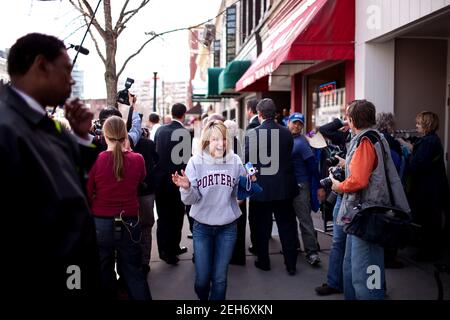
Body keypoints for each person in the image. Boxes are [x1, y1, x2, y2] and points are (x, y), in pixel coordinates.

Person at [0, 33, 101, 298]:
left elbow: (68, 180)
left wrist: (81, 135)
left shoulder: (39, 121)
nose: (71, 79)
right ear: (41, 65)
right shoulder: (7, 127)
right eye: (66, 69)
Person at [330, 100, 409, 300]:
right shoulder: (377, 137)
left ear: (353, 119)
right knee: (355, 265)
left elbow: (358, 180)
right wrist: (347, 163)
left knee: (365, 271)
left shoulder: (364, 141)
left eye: (348, 117)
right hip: (367, 214)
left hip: (365, 215)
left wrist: (338, 186)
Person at [172, 120, 247, 300]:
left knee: (220, 279)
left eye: (224, 139)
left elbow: (240, 196)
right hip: (202, 228)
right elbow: (191, 200)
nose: (220, 144)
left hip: (228, 227)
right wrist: (187, 187)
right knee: (202, 280)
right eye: (215, 139)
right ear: (206, 141)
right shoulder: (196, 161)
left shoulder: (235, 161)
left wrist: (248, 185)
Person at [87, 115, 151, 300]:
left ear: (104, 136)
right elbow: (141, 179)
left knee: (103, 272)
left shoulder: (99, 160)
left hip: (102, 222)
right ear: (125, 135)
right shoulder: (137, 159)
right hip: (129, 220)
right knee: (133, 272)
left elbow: (89, 190)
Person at [245, 98, 299, 275]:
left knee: (261, 227)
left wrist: (252, 173)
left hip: (261, 188)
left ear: (259, 114)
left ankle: (263, 261)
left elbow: (247, 161)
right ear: (275, 114)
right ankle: (291, 263)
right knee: (287, 226)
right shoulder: (286, 133)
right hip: (284, 188)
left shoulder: (253, 134)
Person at [400, 111, 449, 261]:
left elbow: (417, 164)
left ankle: (428, 253)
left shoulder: (429, 142)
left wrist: (408, 151)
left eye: (419, 123)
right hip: (433, 187)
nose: (416, 126)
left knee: (428, 221)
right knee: (430, 220)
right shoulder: (432, 140)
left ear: (426, 125)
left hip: (429, 189)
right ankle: (429, 251)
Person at [154, 103, 190, 264]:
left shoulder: (160, 130)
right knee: (176, 216)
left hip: (160, 180)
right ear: (184, 115)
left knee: (163, 217)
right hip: (177, 180)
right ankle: (173, 248)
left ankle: (163, 249)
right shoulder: (185, 132)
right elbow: (186, 161)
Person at [287, 113, 321, 266]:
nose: (297, 126)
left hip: (301, 186)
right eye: (294, 123)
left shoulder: (301, 143)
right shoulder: (286, 138)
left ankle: (312, 252)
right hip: (287, 186)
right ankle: (294, 246)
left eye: (300, 124)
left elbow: (313, 166)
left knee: (305, 220)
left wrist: (319, 186)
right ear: (288, 123)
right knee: (289, 220)